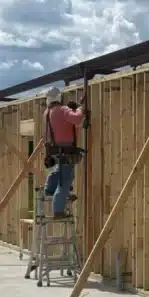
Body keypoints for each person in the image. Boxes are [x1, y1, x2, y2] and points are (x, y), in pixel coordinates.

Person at [42, 87, 85, 218]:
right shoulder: (62, 110)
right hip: (66, 150)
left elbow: (63, 123)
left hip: (54, 150)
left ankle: (49, 188)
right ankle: (58, 210)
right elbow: (77, 119)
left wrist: (72, 109)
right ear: (59, 98)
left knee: (59, 171)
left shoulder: (47, 112)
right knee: (66, 179)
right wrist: (81, 109)